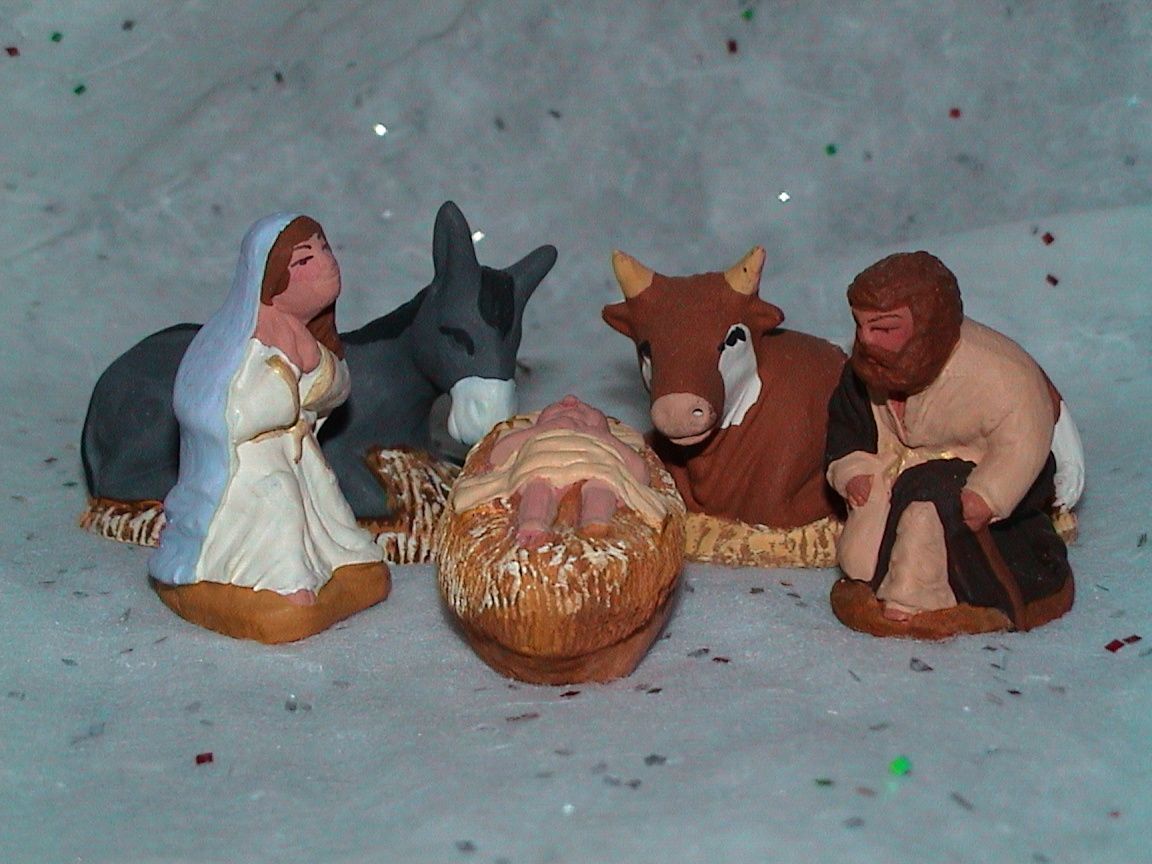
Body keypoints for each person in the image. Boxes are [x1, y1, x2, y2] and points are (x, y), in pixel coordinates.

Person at [149, 214, 389, 642]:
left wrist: (320, 371)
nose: (327, 261)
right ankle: (282, 582)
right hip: (246, 468)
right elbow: (216, 409)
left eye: (324, 248)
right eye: (304, 260)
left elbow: (332, 392)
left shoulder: (302, 333)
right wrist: (283, 385)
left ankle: (342, 562)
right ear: (270, 280)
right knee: (278, 502)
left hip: (297, 454)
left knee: (324, 499)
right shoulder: (236, 342)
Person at [825, 251, 1074, 635]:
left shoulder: (1002, 372)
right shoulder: (868, 367)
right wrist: (853, 469)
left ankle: (912, 598)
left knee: (927, 504)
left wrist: (989, 494)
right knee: (869, 541)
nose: (866, 340)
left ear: (929, 326)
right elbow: (849, 424)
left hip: (979, 476)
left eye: (884, 328)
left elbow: (1024, 437)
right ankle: (875, 577)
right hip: (897, 471)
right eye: (860, 326)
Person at [450, 395, 666, 547]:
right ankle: (533, 523)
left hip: (597, 468)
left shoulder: (606, 441)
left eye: (587, 412)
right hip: (541, 467)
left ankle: (596, 521)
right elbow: (498, 456)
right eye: (555, 411)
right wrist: (542, 429)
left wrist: (600, 436)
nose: (571, 401)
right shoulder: (535, 435)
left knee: (601, 488)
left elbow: (640, 471)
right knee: (537, 487)